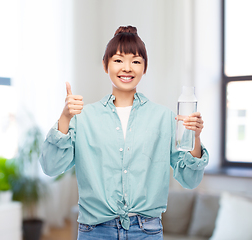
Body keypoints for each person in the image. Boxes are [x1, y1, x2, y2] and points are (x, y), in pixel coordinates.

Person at [39, 25, 209, 240]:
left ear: (144, 68)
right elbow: (51, 167)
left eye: (136, 61)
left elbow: (190, 180)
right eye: (118, 60)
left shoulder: (165, 118)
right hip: (95, 231)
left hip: (147, 231)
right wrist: (64, 118)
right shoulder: (83, 118)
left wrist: (195, 137)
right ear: (105, 64)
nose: (127, 68)